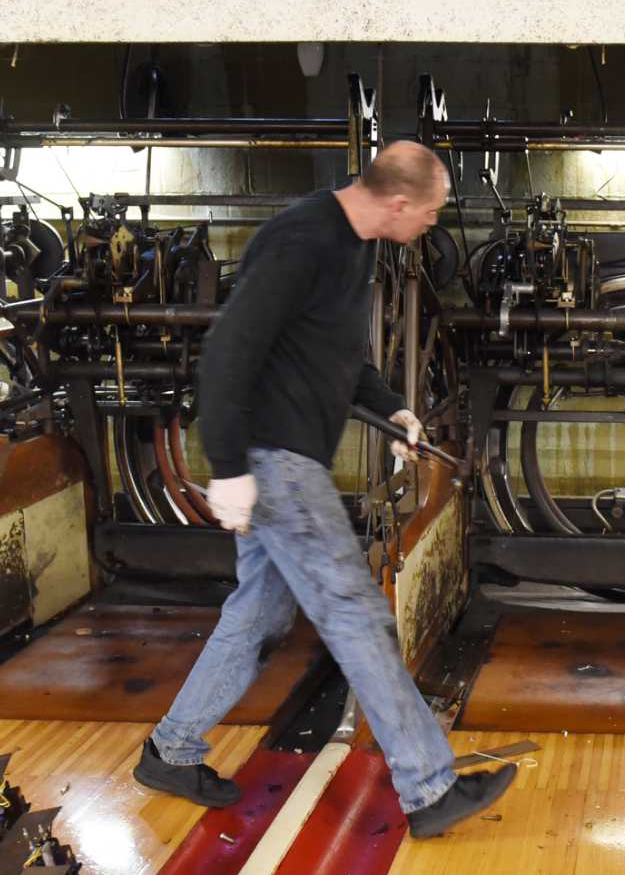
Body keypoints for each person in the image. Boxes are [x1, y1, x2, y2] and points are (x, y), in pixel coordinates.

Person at [134, 141, 515, 839]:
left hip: (286, 455)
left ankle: (171, 750)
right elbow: (229, 350)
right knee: (356, 614)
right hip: (274, 461)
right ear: (398, 203)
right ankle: (429, 788)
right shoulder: (302, 240)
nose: (432, 224)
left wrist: (391, 408)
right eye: (429, 213)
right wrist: (228, 468)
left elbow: (334, 356)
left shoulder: (358, 243)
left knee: (258, 614)